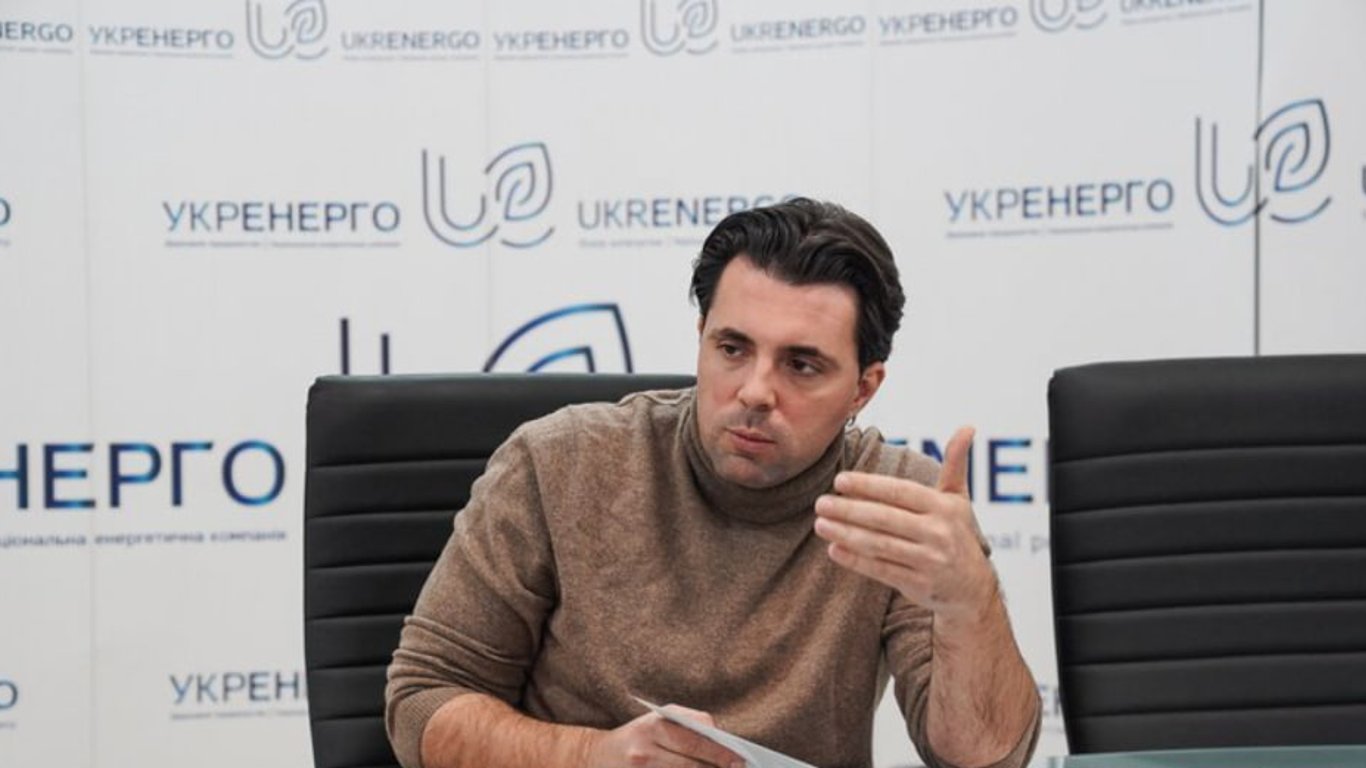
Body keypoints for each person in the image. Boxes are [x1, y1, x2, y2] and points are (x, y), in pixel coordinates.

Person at [385, 198, 1040, 768]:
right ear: (701, 338)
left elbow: (986, 758)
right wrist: (592, 757)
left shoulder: (895, 502)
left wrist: (968, 602)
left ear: (863, 388)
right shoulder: (559, 463)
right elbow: (421, 703)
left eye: (801, 365)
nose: (755, 391)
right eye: (733, 349)